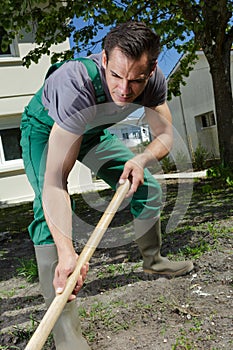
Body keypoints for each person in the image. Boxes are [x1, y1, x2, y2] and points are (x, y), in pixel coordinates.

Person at [20, 21, 193, 349]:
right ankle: (66, 332)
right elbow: (56, 183)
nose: (125, 90)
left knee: (147, 187)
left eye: (136, 81)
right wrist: (67, 251)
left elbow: (166, 134)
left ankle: (153, 261)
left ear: (151, 69)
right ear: (103, 60)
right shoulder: (74, 85)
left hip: (91, 131)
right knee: (49, 216)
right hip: (46, 128)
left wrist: (140, 160)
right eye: (116, 76)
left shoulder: (152, 80)